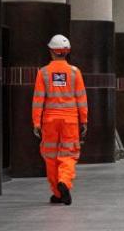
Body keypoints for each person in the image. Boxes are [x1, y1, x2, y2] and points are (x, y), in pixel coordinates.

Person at [32, 34, 88, 205]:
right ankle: (64, 181)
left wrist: (36, 122)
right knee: (68, 154)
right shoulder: (74, 72)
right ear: (67, 52)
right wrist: (84, 121)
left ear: (51, 51)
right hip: (70, 120)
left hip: (49, 121)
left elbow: (38, 99)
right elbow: (81, 98)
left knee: (50, 156)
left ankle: (57, 193)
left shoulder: (43, 73)